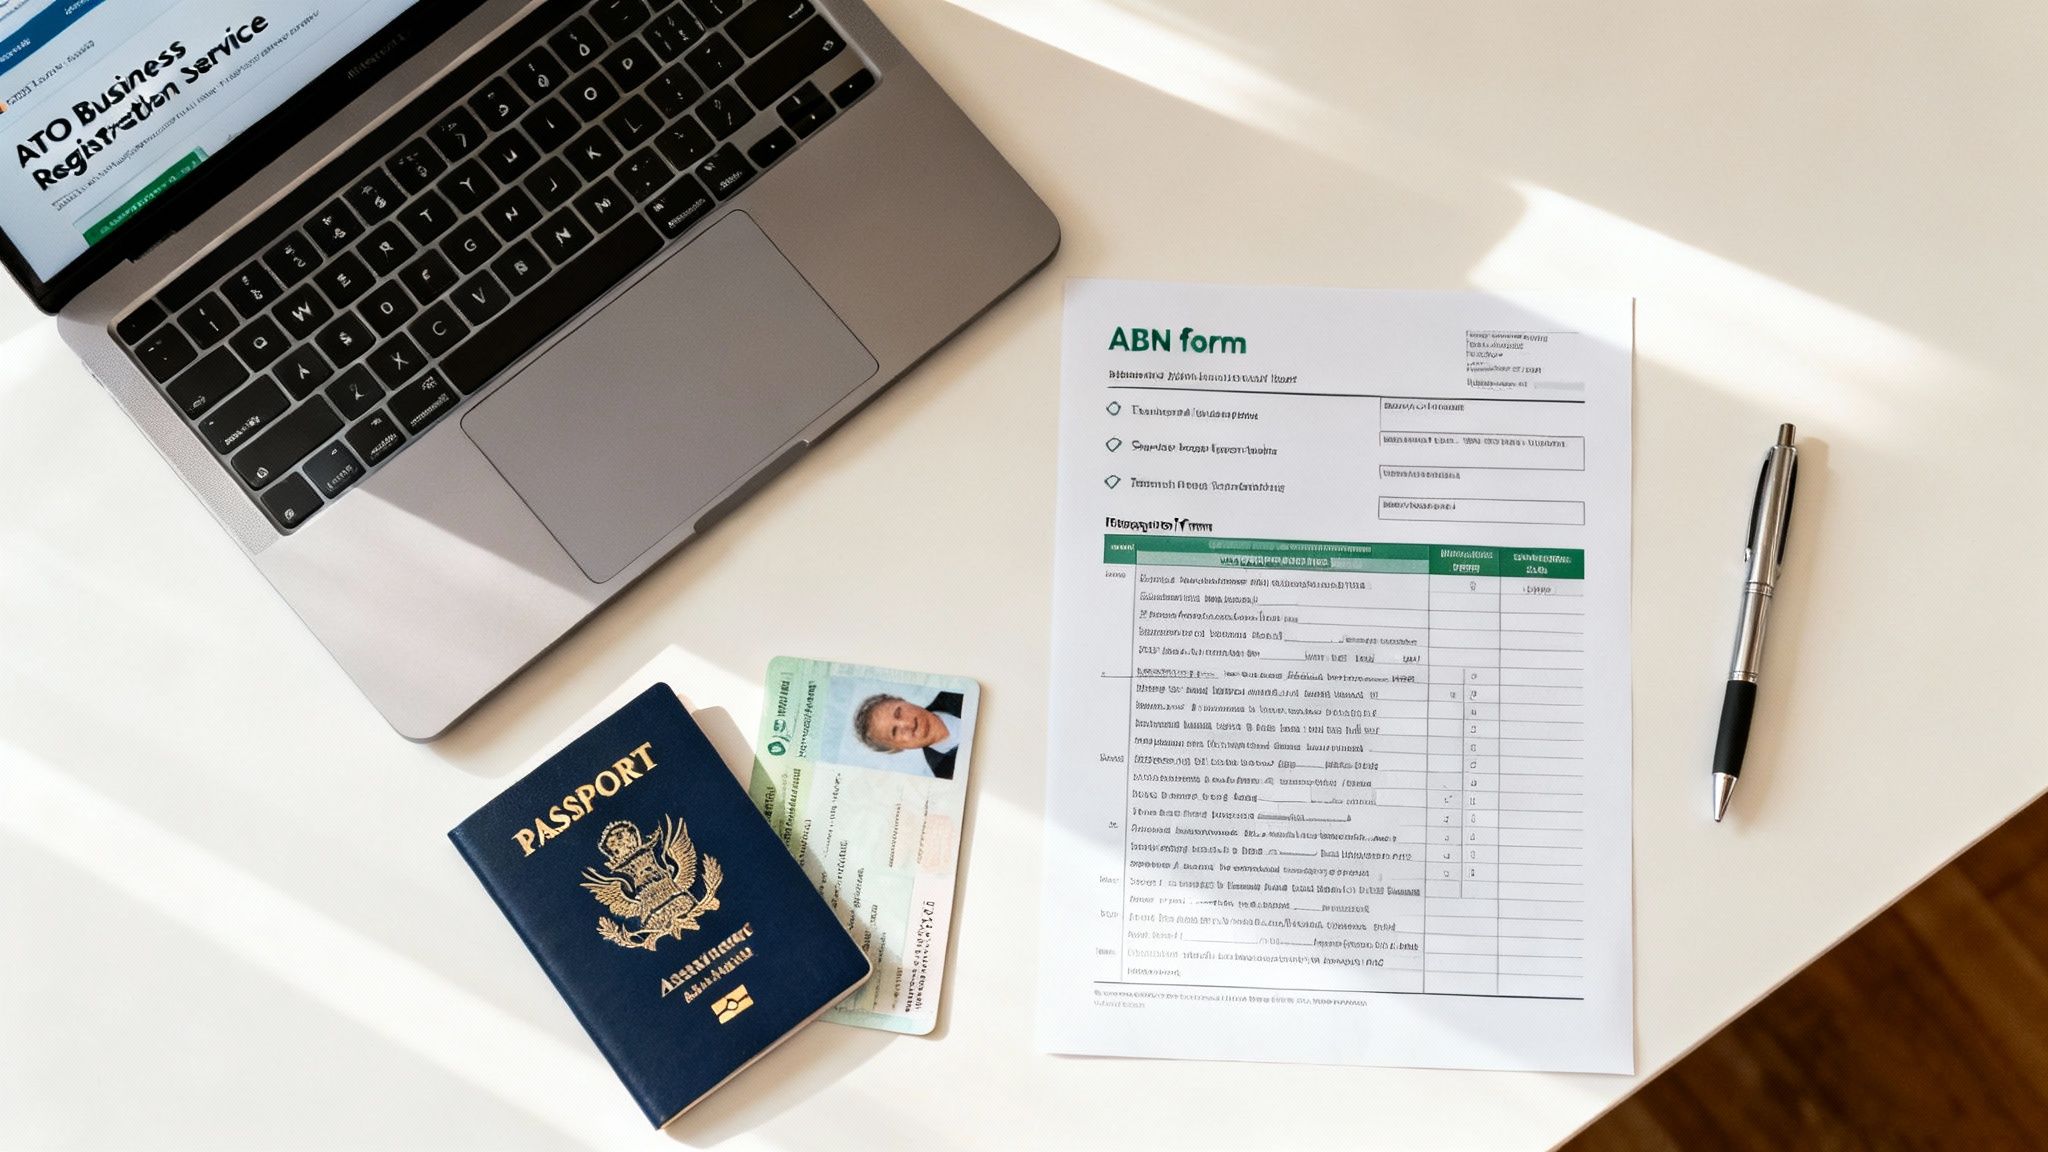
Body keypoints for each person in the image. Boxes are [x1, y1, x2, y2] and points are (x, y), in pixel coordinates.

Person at [852, 690, 965, 778]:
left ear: (903, 701)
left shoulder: (957, 692)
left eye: (899, 712)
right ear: (896, 749)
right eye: (895, 731)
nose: (907, 724)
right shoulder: (946, 773)